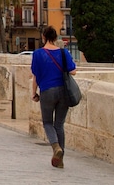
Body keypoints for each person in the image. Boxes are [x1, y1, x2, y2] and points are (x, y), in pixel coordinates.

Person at [31, 25, 77, 169]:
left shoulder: (38, 54)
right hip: (63, 91)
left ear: (43, 37)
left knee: (47, 123)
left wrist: (34, 93)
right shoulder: (64, 53)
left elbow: (35, 76)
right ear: (56, 38)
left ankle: (56, 147)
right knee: (59, 124)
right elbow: (73, 71)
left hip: (47, 91)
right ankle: (61, 159)